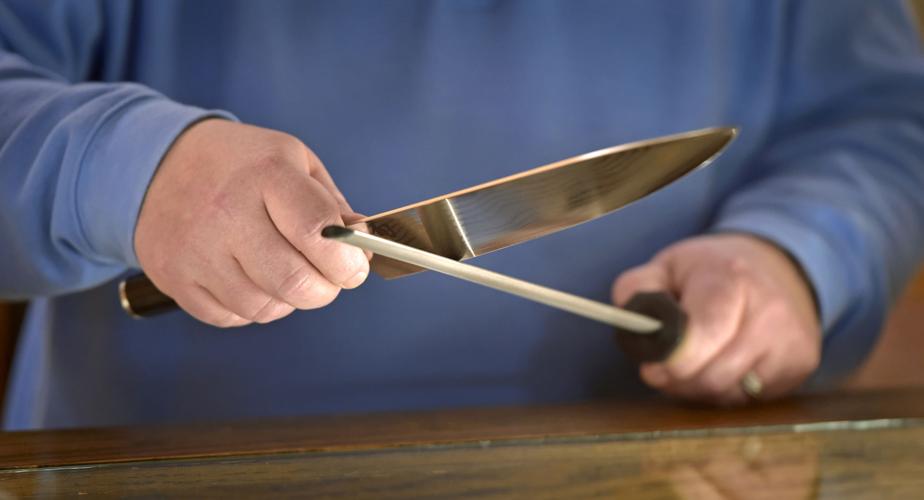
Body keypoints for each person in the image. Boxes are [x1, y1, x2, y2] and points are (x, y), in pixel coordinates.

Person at [0, 0, 922, 431]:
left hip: (663, 468)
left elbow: (879, 122)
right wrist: (126, 168)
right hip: (157, 466)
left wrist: (803, 256)